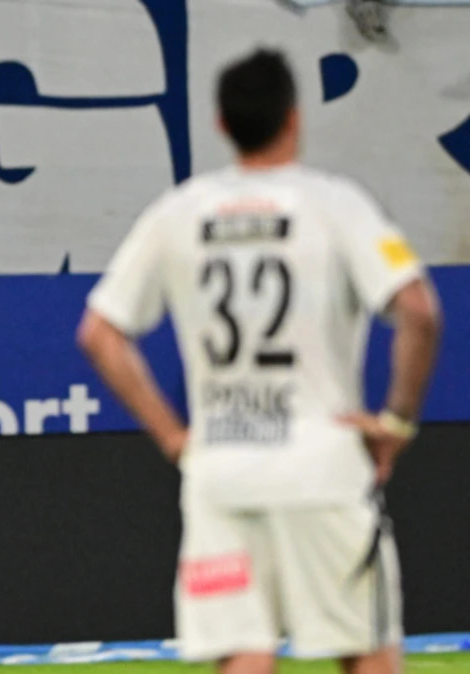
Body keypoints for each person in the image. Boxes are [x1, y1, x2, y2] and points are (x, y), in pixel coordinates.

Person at [77, 48, 442, 674]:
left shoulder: (180, 211)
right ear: (295, 117)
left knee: (245, 655)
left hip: (222, 475)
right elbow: (419, 310)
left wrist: (174, 439)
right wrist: (397, 423)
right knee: (366, 651)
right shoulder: (336, 204)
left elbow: (99, 332)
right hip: (323, 470)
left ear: (221, 124)